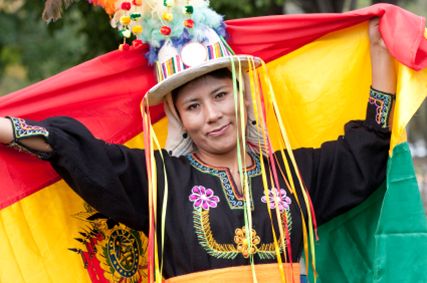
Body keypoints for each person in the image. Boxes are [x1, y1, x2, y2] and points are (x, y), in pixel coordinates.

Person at [0, 15, 395, 282]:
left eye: (221, 95)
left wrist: (379, 49)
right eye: (193, 106)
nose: (212, 115)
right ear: (178, 117)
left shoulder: (294, 172)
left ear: (243, 96)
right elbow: (71, 149)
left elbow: (369, 148)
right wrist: (7, 130)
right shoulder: (160, 183)